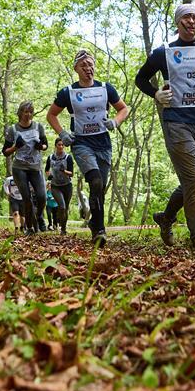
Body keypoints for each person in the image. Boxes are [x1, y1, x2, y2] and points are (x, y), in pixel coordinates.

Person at [134, 3, 195, 259]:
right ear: (178, 23)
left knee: (193, 182)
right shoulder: (164, 52)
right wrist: (156, 93)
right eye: (186, 17)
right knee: (194, 181)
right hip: (176, 121)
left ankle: (166, 218)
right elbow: (140, 78)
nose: (191, 21)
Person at [47, 49, 130, 248]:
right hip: (81, 143)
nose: (88, 68)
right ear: (76, 68)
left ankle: (95, 221)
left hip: (103, 143)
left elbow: (124, 109)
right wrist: (63, 133)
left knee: (100, 187)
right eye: (83, 65)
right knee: (95, 181)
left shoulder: (105, 88)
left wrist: (115, 122)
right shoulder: (68, 92)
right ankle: (99, 230)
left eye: (91, 64)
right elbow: (51, 115)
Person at [2, 101, 48, 236]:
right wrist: (16, 147)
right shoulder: (13, 129)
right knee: (26, 198)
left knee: (42, 196)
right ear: (20, 113)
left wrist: (41, 146)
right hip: (19, 168)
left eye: (30, 112)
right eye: (25, 112)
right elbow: (5, 152)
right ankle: (30, 227)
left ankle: (38, 216)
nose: (28, 114)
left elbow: (45, 144)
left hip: (35, 167)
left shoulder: (38, 127)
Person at [46, 138, 74, 235]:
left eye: (62, 145)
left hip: (67, 186)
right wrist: (49, 174)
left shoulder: (68, 157)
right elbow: (47, 170)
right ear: (55, 146)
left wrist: (64, 171)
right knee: (61, 206)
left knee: (65, 208)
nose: (61, 147)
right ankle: (60, 225)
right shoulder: (50, 158)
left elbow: (71, 173)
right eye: (59, 145)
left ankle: (63, 228)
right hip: (55, 186)